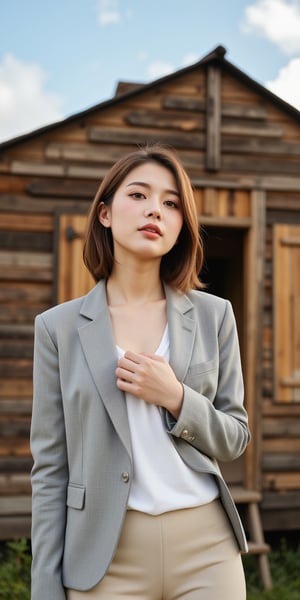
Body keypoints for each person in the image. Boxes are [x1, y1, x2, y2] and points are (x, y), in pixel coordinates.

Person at [30, 144, 250, 600]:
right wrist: (45, 588)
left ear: (179, 228)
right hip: (104, 555)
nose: (156, 210)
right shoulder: (57, 328)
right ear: (106, 214)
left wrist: (176, 398)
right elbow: (50, 469)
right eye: (139, 195)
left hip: (207, 546)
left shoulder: (215, 315)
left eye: (171, 203)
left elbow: (235, 437)